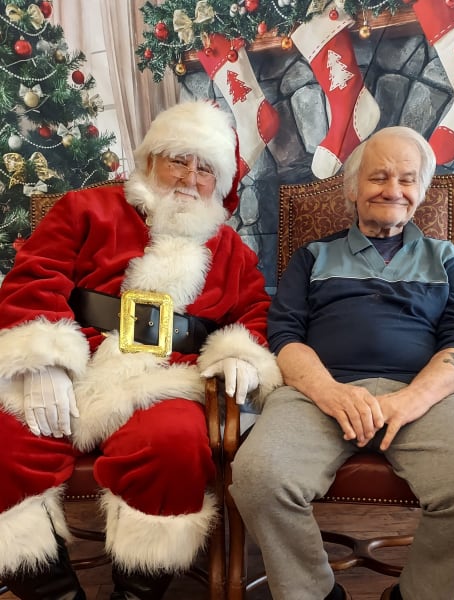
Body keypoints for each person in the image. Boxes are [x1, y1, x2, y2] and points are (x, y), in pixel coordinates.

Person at [0, 100, 281, 600]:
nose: (189, 178)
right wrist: (43, 358)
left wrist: (240, 351)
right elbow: (34, 279)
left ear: (219, 185)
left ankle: (137, 593)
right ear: (150, 160)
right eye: (178, 159)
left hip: (166, 378)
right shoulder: (85, 209)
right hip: (75, 365)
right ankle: (51, 591)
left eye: (205, 168)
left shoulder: (232, 251)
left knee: (174, 444)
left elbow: (254, 313)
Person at [230, 126, 454, 600]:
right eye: (379, 177)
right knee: (258, 479)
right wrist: (330, 391)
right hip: (318, 392)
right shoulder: (312, 256)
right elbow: (284, 334)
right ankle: (315, 594)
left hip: (426, 397)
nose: (393, 190)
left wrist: (411, 399)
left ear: (421, 191)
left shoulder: (446, 259)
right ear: (352, 188)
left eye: (407, 179)